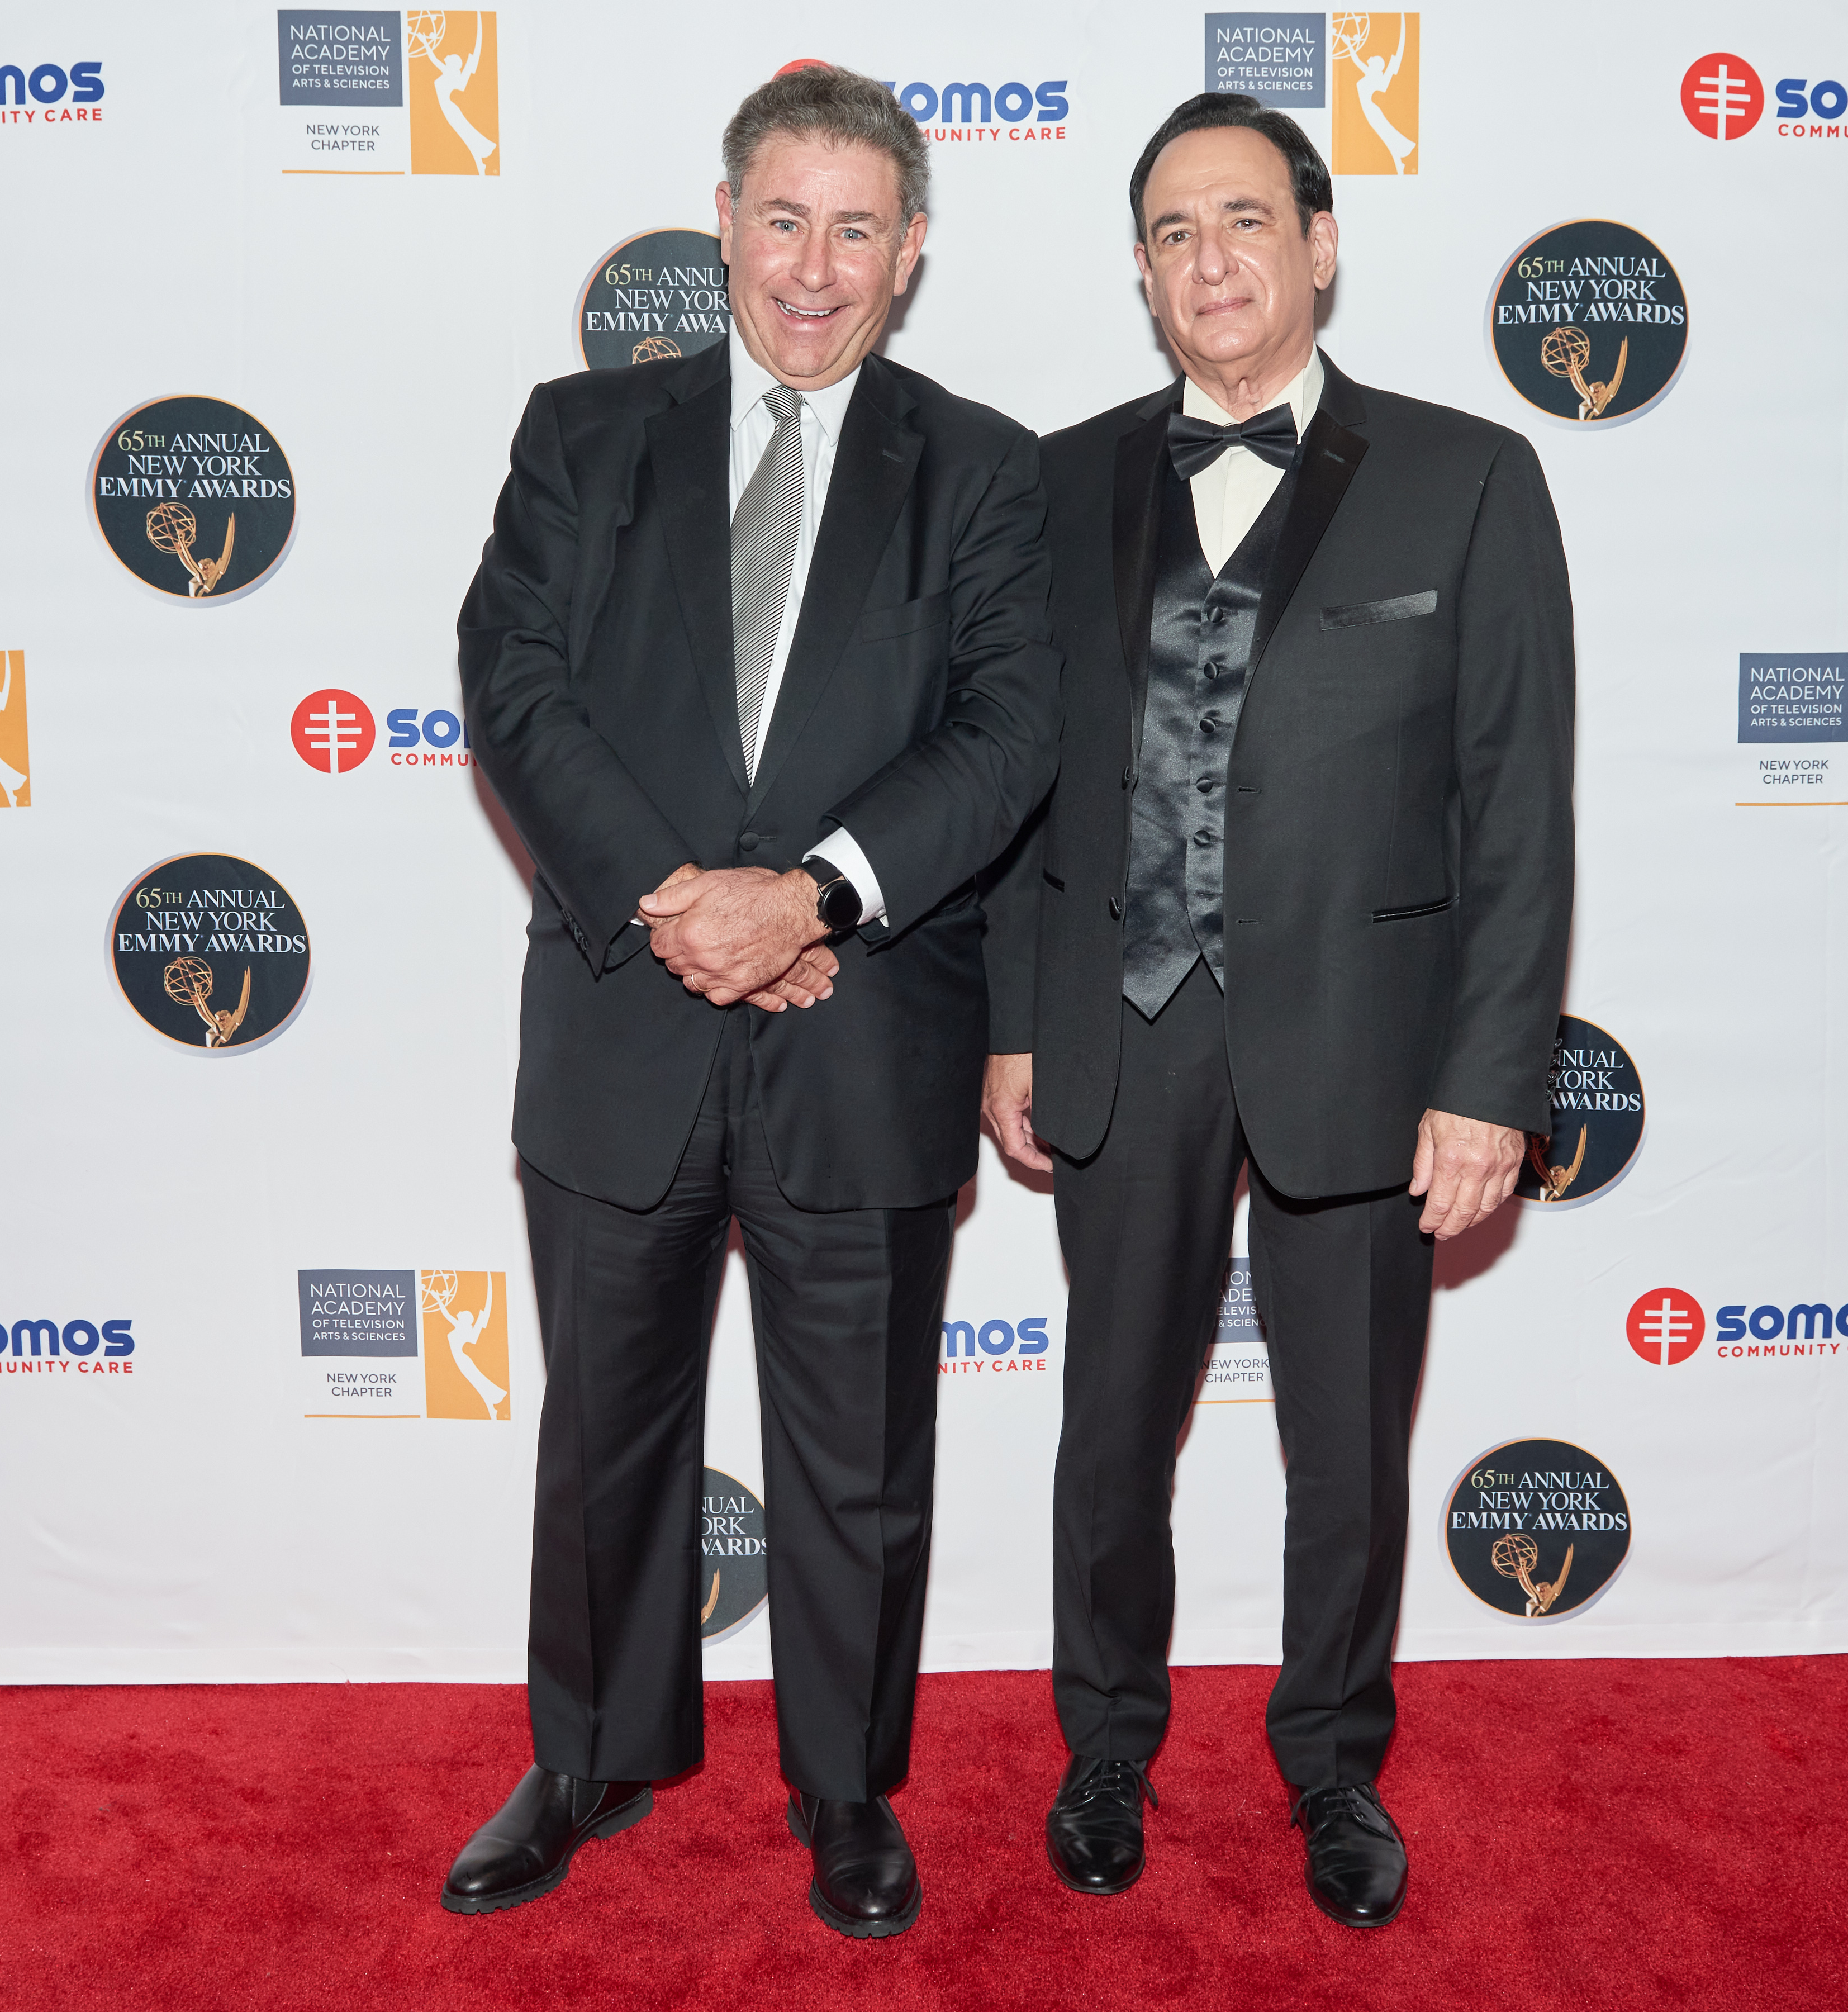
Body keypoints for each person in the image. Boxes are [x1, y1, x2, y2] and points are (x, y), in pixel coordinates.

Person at [448, 64, 1059, 1939]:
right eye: (782, 219)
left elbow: (1009, 732)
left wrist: (808, 899)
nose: (813, 266)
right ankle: (588, 1754)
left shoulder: (985, 468)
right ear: (722, 223)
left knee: (860, 1458)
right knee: (601, 1431)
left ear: (912, 249)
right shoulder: (584, 432)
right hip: (623, 1018)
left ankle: (846, 1789)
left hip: (862, 1030)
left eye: (855, 229)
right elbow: (513, 674)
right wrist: (680, 907)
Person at [980, 93, 1574, 1928]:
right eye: (1173, 232)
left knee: (1349, 1447)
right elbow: (1012, 785)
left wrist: (1492, 1079)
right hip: (1126, 1024)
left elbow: (1518, 805)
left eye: (1244, 219)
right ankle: (1105, 1746)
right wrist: (1012, 1022)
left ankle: (1334, 1764)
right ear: (1142, 271)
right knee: (1109, 1431)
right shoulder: (1054, 482)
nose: (1210, 260)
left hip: (1369, 1049)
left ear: (1320, 245)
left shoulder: (1471, 476)